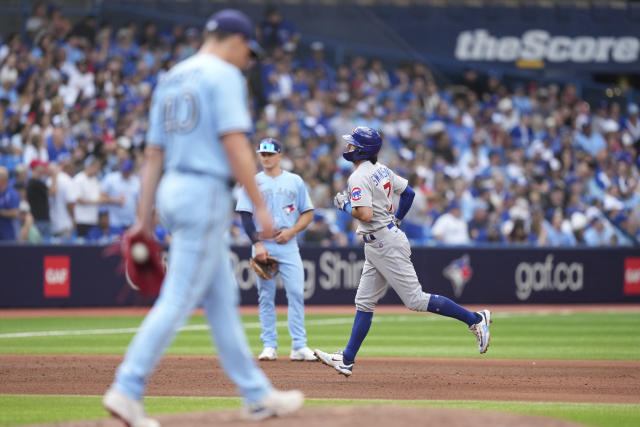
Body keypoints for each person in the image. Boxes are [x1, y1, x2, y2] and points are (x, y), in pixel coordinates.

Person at [102, 9, 304, 426]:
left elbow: (154, 154)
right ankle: (127, 386)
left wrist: (143, 218)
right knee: (177, 299)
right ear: (235, 40)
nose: (248, 61)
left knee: (222, 302)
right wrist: (260, 205)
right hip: (205, 191)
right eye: (248, 52)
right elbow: (234, 143)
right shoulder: (224, 76)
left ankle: (257, 396)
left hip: (174, 190)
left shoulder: (172, 76)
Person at [314, 127, 492, 377]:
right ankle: (347, 359)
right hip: (381, 240)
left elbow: (364, 214)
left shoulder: (358, 177)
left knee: (415, 300)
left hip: (384, 243)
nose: (348, 148)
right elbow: (408, 194)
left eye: (353, 145)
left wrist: (344, 205)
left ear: (363, 150)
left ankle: (475, 319)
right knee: (364, 302)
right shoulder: (382, 169)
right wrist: (396, 219)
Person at [236, 138, 316, 362]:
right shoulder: (252, 182)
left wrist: (292, 231)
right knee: (265, 296)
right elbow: (245, 215)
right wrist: (257, 244)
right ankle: (269, 345)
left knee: (297, 293)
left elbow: (308, 213)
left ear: (280, 156)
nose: (266, 157)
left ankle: (299, 345)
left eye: (270, 154)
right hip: (263, 243)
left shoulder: (295, 180)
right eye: (262, 154)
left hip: (288, 244)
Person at [0, 166, 20, 241]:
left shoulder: (12, 193)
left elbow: (15, 213)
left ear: (2, 179)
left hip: (9, 236)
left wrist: (1, 212)